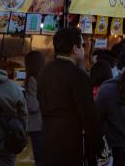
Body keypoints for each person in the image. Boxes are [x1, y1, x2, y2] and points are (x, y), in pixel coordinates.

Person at [38, 27, 103, 166]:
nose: (83, 50)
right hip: (70, 142)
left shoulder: (44, 71)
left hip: (46, 138)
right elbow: (89, 115)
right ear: (75, 48)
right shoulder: (78, 75)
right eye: (82, 46)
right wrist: (100, 146)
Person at [24, 50, 45, 166]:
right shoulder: (47, 77)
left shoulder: (32, 80)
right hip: (48, 124)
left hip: (36, 125)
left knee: (38, 159)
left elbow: (33, 106)